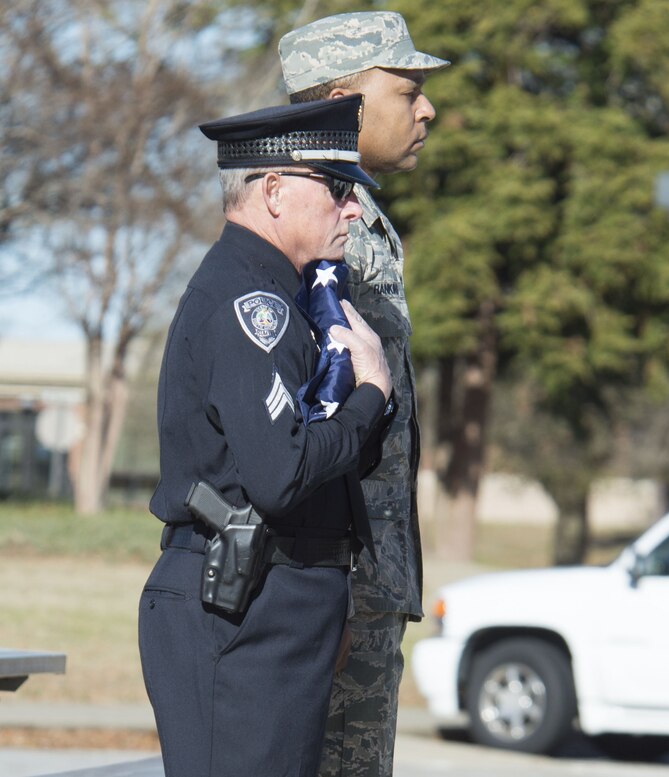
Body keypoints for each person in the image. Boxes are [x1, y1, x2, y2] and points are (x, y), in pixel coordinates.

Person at [138, 94, 395, 777]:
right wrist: (371, 392)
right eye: (338, 188)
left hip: (272, 608)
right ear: (274, 190)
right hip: (242, 612)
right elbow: (281, 475)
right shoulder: (253, 305)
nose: (353, 209)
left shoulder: (283, 295)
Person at [278, 12, 449, 777]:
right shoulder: (308, 216)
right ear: (344, 100)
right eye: (408, 89)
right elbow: (304, 412)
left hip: (363, 580)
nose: (427, 109)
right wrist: (327, 582)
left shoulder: (359, 213)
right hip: (334, 579)